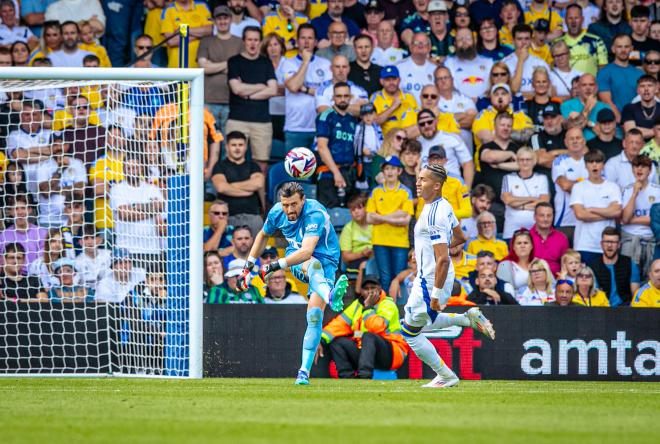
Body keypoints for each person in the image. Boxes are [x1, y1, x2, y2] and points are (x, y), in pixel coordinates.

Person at [238, 182, 349, 385]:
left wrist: (272, 266)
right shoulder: (277, 212)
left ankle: (303, 373)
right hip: (298, 259)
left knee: (315, 316)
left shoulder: (314, 212)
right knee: (311, 263)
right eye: (285, 204)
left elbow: (308, 250)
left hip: (327, 261)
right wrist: (248, 268)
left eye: (294, 204)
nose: (289, 210)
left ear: (303, 201)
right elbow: (263, 235)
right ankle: (330, 294)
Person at [401, 164, 495, 388]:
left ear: (436, 185)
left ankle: (446, 375)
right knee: (417, 324)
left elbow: (443, 258)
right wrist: (425, 251)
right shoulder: (443, 206)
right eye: (418, 178)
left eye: (423, 180)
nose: (418, 183)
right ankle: (467, 319)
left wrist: (434, 295)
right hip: (434, 276)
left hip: (431, 279)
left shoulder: (433, 214)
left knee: (410, 332)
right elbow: (460, 238)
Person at [320, 274, 409, 378]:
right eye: (366, 288)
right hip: (366, 354)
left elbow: (376, 328)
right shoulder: (356, 305)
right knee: (337, 342)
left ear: (380, 289)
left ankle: (364, 376)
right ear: (361, 291)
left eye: (373, 288)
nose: (370, 291)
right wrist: (320, 340)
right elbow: (338, 325)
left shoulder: (388, 304)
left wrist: (368, 308)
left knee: (368, 336)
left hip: (392, 354)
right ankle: (347, 377)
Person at [227, 27, 277, 171]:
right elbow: (236, 89)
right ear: (244, 41)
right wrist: (261, 86)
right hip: (237, 119)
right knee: (233, 161)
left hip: (262, 121)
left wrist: (247, 93)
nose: (252, 44)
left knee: (261, 164)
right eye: (249, 40)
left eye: (256, 40)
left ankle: (259, 194)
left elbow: (273, 90)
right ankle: (234, 193)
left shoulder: (266, 62)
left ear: (260, 42)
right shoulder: (234, 61)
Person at [366, 156, 414, 291]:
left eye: (393, 168)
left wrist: (380, 217)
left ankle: (401, 309)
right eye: (387, 169)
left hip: (400, 242)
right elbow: (369, 218)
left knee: (399, 277)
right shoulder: (376, 191)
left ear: (399, 171)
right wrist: (395, 215)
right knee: (385, 277)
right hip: (380, 241)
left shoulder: (406, 192)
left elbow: (405, 220)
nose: (390, 172)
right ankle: (388, 309)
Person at [281, 24, 332, 151]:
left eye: (310, 38)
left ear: (315, 42)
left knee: (320, 170)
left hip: (321, 127)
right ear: (297, 41)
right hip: (295, 128)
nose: (306, 42)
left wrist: (305, 89)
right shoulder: (288, 62)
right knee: (296, 170)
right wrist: (305, 62)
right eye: (303, 38)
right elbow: (293, 86)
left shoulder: (325, 64)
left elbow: (327, 95)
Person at [109, 155, 165, 270]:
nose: (132, 171)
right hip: (127, 251)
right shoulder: (117, 189)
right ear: (123, 169)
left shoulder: (152, 188)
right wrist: (151, 209)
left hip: (152, 249)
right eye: (128, 168)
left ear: (141, 168)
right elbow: (125, 215)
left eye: (135, 168)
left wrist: (134, 207)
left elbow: (160, 207)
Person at [197, 6, 243, 138]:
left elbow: (240, 71)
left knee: (229, 140)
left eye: (225, 18)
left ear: (231, 20)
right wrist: (229, 64)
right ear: (214, 21)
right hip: (208, 99)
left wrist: (213, 66)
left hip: (232, 100)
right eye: (219, 18)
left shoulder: (239, 42)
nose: (222, 21)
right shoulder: (206, 41)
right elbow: (203, 67)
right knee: (207, 139)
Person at [570, 149, 622, 263]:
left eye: (598, 162)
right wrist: (608, 213)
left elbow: (617, 212)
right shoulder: (578, 187)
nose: (594, 165)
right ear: (585, 165)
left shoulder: (613, 187)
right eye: (590, 162)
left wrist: (592, 209)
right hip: (584, 244)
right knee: (585, 279)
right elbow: (580, 214)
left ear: (603, 165)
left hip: (608, 246)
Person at [315, 82, 359, 209]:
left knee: (349, 212)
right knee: (329, 215)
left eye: (346, 96)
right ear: (333, 98)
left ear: (350, 97)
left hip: (349, 173)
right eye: (339, 96)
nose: (342, 99)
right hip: (329, 173)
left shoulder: (352, 119)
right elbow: (322, 148)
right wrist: (336, 173)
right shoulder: (326, 116)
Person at [211, 131, 264, 237]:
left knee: (255, 252)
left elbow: (258, 184)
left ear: (246, 147)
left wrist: (231, 186)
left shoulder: (253, 166)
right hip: (227, 217)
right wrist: (247, 190)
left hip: (253, 217)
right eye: (233, 145)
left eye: (240, 145)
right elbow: (221, 188)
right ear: (227, 147)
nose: (237, 148)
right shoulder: (219, 166)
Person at [475, 111, 520, 229]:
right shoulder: (487, 146)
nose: (506, 128)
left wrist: (499, 165)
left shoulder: (517, 148)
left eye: (509, 126)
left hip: (514, 204)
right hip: (492, 204)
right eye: (502, 125)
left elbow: (522, 165)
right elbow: (489, 156)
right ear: (495, 126)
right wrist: (509, 154)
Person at [621, 154, 660, 274]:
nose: (639, 169)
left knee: (652, 277)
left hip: (651, 239)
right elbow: (625, 218)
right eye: (636, 166)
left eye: (643, 166)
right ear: (632, 170)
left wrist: (632, 220)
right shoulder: (627, 190)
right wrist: (634, 194)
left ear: (650, 170)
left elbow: (656, 220)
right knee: (629, 277)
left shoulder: (657, 190)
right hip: (630, 238)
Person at [416, 108, 474, 187]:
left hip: (453, 187)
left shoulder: (452, 138)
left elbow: (467, 163)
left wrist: (467, 189)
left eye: (429, 122)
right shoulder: (416, 144)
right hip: (428, 190)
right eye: (422, 124)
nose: (426, 126)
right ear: (418, 126)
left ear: (436, 121)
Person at [501, 147, 550, 239]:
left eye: (528, 159)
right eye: (521, 159)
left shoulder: (541, 178)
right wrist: (531, 199)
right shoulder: (508, 178)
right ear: (517, 161)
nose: (525, 162)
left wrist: (517, 204)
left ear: (534, 161)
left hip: (536, 229)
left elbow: (544, 203)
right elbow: (508, 200)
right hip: (511, 230)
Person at [597, 34, 644, 124]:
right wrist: (622, 120)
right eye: (619, 47)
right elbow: (606, 100)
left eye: (626, 47)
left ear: (631, 48)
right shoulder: (604, 72)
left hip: (638, 121)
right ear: (613, 49)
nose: (623, 50)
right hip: (615, 123)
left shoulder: (639, 73)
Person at [589, 227, 641, 307]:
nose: (609, 245)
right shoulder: (593, 265)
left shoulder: (630, 264)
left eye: (613, 242)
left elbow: (636, 296)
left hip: (625, 309)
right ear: (601, 244)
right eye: (606, 242)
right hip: (601, 309)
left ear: (619, 245)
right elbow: (594, 294)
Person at [552, 126, 589, 239]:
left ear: (584, 141)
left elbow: (601, 186)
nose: (575, 141)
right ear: (565, 142)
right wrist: (588, 185)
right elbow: (565, 185)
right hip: (565, 221)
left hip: (587, 219)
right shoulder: (559, 161)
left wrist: (575, 183)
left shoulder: (592, 160)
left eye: (578, 138)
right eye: (571, 138)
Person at [434, 65, 478, 152]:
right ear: (435, 83)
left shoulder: (465, 99)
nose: (443, 81)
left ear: (452, 80)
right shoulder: (432, 101)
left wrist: (445, 120)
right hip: (444, 154)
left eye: (446, 77)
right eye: (439, 78)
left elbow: (473, 121)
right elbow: (434, 124)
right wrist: (462, 115)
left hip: (466, 154)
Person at [556, 4, 607, 77]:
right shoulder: (557, 43)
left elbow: (603, 69)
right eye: (570, 18)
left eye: (576, 18)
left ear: (582, 19)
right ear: (565, 20)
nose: (573, 21)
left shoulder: (596, 41)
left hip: (590, 87)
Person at [444, 27, 494, 101]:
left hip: (485, 104)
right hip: (459, 105)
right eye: (460, 39)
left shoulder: (488, 62)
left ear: (475, 41)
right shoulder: (449, 63)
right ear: (455, 44)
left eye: (468, 38)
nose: (464, 41)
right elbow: (448, 88)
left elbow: (493, 86)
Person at [160, 0, 212, 68]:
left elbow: (210, 30)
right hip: (178, 66)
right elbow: (171, 41)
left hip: (201, 65)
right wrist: (200, 34)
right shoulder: (168, 10)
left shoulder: (202, 6)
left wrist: (184, 30)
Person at [0, 195, 48, 268]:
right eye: (16, 209)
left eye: (23, 208)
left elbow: (44, 259)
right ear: (11, 212)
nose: (20, 212)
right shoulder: (4, 236)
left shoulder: (42, 233)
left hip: (36, 275)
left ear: (29, 210)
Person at [371, 65, 419, 136]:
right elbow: (373, 122)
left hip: (411, 141)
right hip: (388, 143)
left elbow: (419, 120)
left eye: (394, 79)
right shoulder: (376, 97)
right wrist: (392, 107)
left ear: (399, 80)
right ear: (381, 81)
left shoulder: (409, 96)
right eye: (387, 79)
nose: (391, 83)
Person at [395, 32, 436, 105]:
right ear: (410, 47)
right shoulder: (398, 68)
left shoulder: (435, 70)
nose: (420, 45)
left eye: (424, 42)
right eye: (416, 42)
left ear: (429, 48)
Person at [530, 202, 569, 275]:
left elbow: (566, 263)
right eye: (542, 215)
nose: (545, 219)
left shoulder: (561, 238)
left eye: (549, 216)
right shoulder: (526, 237)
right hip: (532, 279)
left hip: (556, 281)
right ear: (534, 217)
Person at [339, 193, 373, 274]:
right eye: (353, 209)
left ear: (367, 208)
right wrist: (362, 253)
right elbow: (346, 257)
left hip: (375, 257)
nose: (356, 212)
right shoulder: (348, 228)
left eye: (359, 208)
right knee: (365, 266)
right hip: (356, 260)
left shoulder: (375, 225)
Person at [74, 224, 111, 291]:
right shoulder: (77, 262)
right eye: (86, 238)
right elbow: (75, 284)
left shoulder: (109, 255)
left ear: (99, 240)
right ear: (80, 242)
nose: (90, 242)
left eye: (93, 237)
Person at [497, 229, 535, 293]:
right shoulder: (504, 265)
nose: (522, 246)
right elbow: (505, 293)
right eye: (519, 243)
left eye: (526, 243)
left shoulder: (540, 262)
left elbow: (551, 285)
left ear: (531, 246)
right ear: (513, 247)